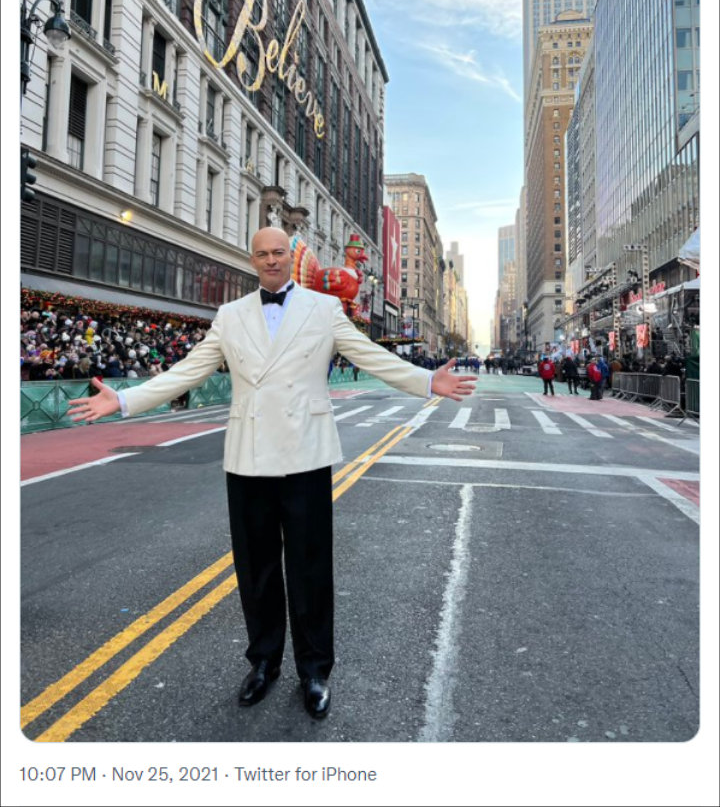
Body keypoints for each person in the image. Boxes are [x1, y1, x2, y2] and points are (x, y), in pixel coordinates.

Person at [68, 227, 476, 721]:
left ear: (291, 256)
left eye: (278, 252)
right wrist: (125, 398)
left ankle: (315, 670)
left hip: (305, 455)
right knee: (256, 570)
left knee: (309, 569)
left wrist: (427, 380)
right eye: (262, 254)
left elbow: (372, 357)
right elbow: (189, 371)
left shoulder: (324, 309)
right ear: (253, 260)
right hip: (248, 457)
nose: (271, 261)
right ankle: (263, 662)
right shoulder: (230, 314)